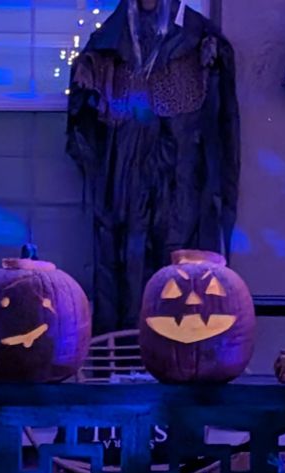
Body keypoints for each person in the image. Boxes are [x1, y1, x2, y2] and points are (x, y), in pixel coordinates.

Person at [67, 0, 240, 335]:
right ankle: (127, 342)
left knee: (177, 259)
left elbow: (220, 126)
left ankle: (179, 346)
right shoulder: (110, 44)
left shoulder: (197, 38)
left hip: (180, 179)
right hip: (126, 178)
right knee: (127, 258)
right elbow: (86, 124)